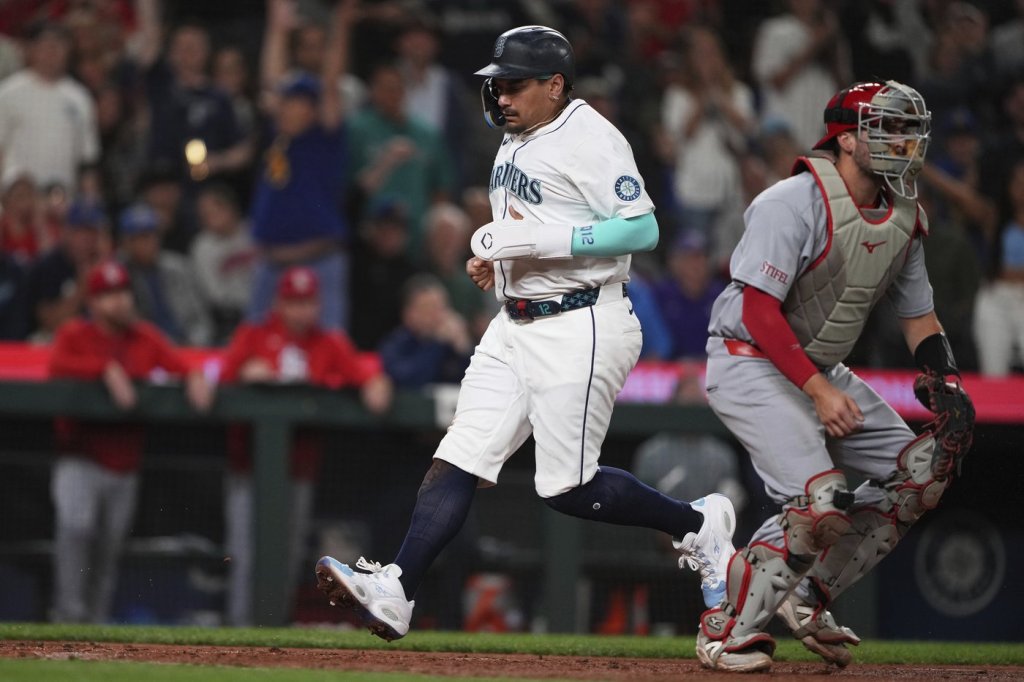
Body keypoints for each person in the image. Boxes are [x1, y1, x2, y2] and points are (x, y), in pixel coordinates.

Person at [314, 25, 736, 641]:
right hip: (514, 322)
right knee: (460, 455)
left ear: (555, 85)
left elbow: (641, 229)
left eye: (514, 85)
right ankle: (398, 588)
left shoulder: (591, 137)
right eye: (498, 85)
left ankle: (697, 527)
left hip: (581, 320)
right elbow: (526, 224)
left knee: (567, 487)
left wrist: (539, 243)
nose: (502, 96)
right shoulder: (515, 137)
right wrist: (500, 261)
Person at [694, 81, 976, 672]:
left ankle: (805, 594)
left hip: (819, 367)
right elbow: (758, 310)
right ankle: (725, 630)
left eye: (908, 129)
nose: (903, 141)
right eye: (887, 129)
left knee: (923, 473)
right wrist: (818, 391)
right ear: (846, 139)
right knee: (820, 503)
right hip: (748, 359)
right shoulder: (790, 201)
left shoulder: (904, 215)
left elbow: (919, 318)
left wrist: (949, 386)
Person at [219, 265, 392, 626]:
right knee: (245, 554)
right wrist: (244, 375)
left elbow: (365, 375)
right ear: (279, 303)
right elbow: (218, 381)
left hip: (298, 469)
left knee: (287, 554)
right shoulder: (254, 335)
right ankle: (239, 628)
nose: (301, 310)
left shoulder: (328, 341)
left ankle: (273, 629)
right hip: (250, 467)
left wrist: (375, 383)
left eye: (307, 302)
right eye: (293, 302)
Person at [48, 259, 213, 623]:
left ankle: (94, 622)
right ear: (93, 302)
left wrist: (194, 376)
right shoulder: (75, 335)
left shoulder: (144, 337)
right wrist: (105, 369)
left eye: (123, 291)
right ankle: (67, 615)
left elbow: (182, 365)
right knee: (76, 529)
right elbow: (56, 367)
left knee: (108, 549)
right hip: (80, 456)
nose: (119, 300)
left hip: (124, 463)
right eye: (108, 294)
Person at [119, 202, 213, 347]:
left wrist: (196, 343)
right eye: (139, 238)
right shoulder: (121, 275)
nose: (146, 243)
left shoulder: (178, 266)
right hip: (149, 350)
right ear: (127, 242)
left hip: (190, 346)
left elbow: (200, 317)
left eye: (150, 236)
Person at [378, 274, 472, 389]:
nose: (438, 316)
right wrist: (436, 344)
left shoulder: (451, 344)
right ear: (409, 314)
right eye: (429, 308)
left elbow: (471, 379)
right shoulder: (395, 344)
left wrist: (463, 350)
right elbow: (407, 378)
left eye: (442, 308)